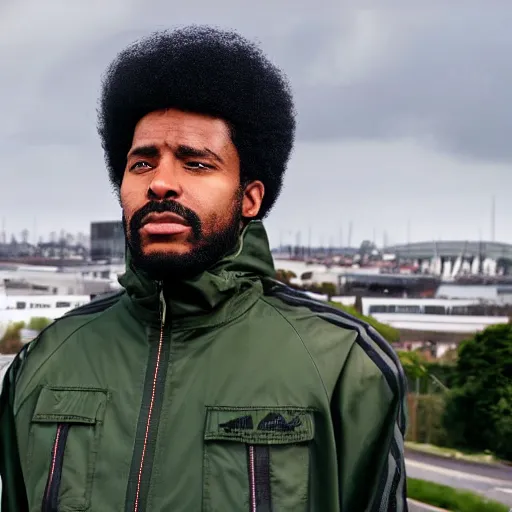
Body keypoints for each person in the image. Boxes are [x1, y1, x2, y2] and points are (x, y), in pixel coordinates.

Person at [0, 26, 408, 512]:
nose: (161, 183)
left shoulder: (344, 363)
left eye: (196, 164)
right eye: (142, 163)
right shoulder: (45, 360)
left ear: (250, 198)